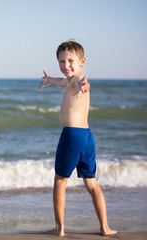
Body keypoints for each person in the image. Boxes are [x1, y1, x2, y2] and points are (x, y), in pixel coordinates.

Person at [38, 41, 117, 237]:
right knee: (91, 183)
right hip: (87, 138)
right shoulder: (70, 80)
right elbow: (63, 81)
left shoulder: (78, 80)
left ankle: (59, 228)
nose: (66, 66)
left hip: (71, 136)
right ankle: (105, 228)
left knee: (60, 181)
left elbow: (83, 84)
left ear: (82, 62)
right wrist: (49, 80)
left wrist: (85, 84)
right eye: (62, 61)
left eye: (71, 61)